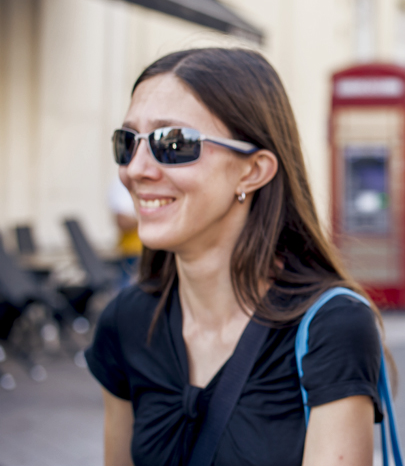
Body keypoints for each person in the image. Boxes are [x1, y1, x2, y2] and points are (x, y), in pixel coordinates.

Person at [85, 48, 383, 466]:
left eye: (173, 143)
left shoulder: (331, 329)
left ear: (253, 170)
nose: (136, 169)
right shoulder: (126, 321)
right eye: (127, 142)